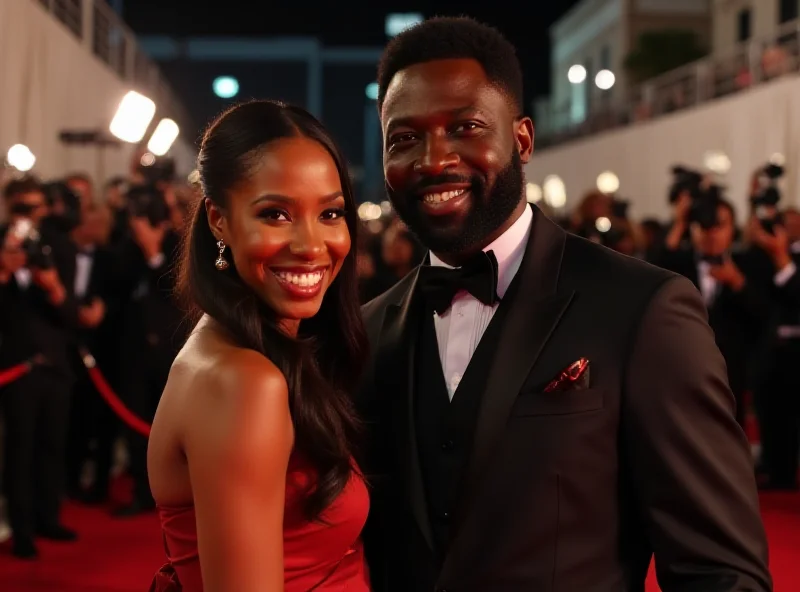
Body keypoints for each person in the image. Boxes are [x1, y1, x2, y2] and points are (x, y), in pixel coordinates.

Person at [358, 17, 771, 592]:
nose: (433, 159)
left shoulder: (643, 310)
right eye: (404, 138)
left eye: (466, 127)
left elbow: (720, 572)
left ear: (522, 139)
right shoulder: (366, 332)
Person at [147, 100, 370, 591]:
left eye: (330, 212)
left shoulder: (243, 350)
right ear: (218, 219)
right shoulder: (245, 383)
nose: (312, 244)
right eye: (276, 214)